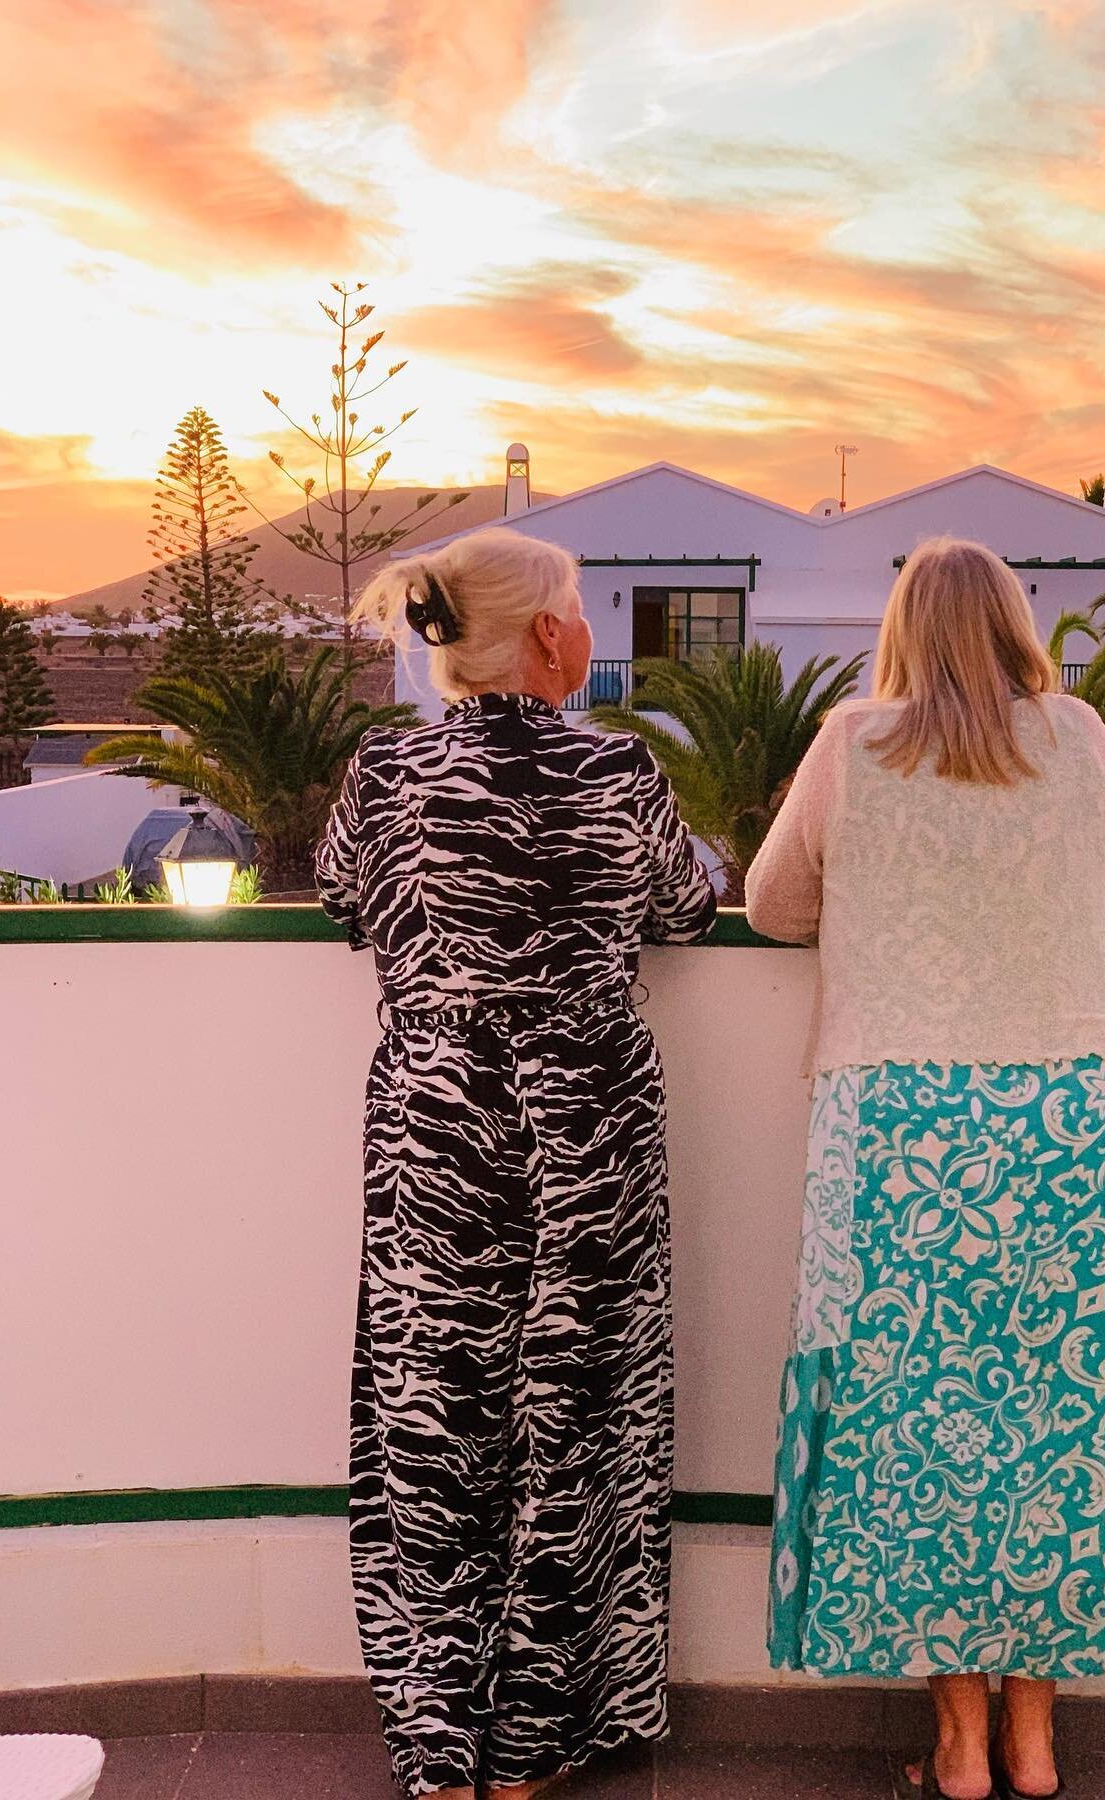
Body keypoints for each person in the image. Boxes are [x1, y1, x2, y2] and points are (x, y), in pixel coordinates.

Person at [745, 536, 1105, 1800]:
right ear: (1016, 627)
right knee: (1061, 1422)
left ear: (902, 631)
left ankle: (959, 1745)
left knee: (908, 1424)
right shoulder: (1085, 739)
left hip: (901, 1126)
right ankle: (1038, 1738)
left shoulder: (849, 744)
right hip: (1072, 1125)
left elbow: (773, 904)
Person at [315, 528, 716, 1800]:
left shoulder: (385, 774)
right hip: (587, 1119)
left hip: (437, 1121)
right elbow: (689, 907)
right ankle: (536, 1740)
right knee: (576, 1409)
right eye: (584, 610)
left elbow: (340, 897)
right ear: (551, 637)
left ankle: (438, 1743)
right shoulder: (620, 769)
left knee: (436, 1415)